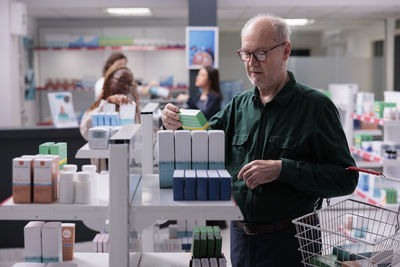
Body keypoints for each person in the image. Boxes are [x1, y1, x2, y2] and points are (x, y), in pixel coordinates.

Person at [161, 14, 358, 267]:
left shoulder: (315, 108)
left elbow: (345, 178)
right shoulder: (238, 106)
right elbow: (203, 140)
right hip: (241, 239)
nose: (252, 63)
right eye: (246, 53)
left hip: (292, 242)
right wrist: (174, 123)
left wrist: (282, 169)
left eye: (261, 53)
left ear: (285, 51)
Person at [81, 65, 140, 170]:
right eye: (121, 81)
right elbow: (86, 131)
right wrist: (106, 104)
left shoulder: (133, 110)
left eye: (129, 84)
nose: (126, 87)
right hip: (103, 169)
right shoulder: (98, 108)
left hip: (127, 170)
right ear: (109, 81)